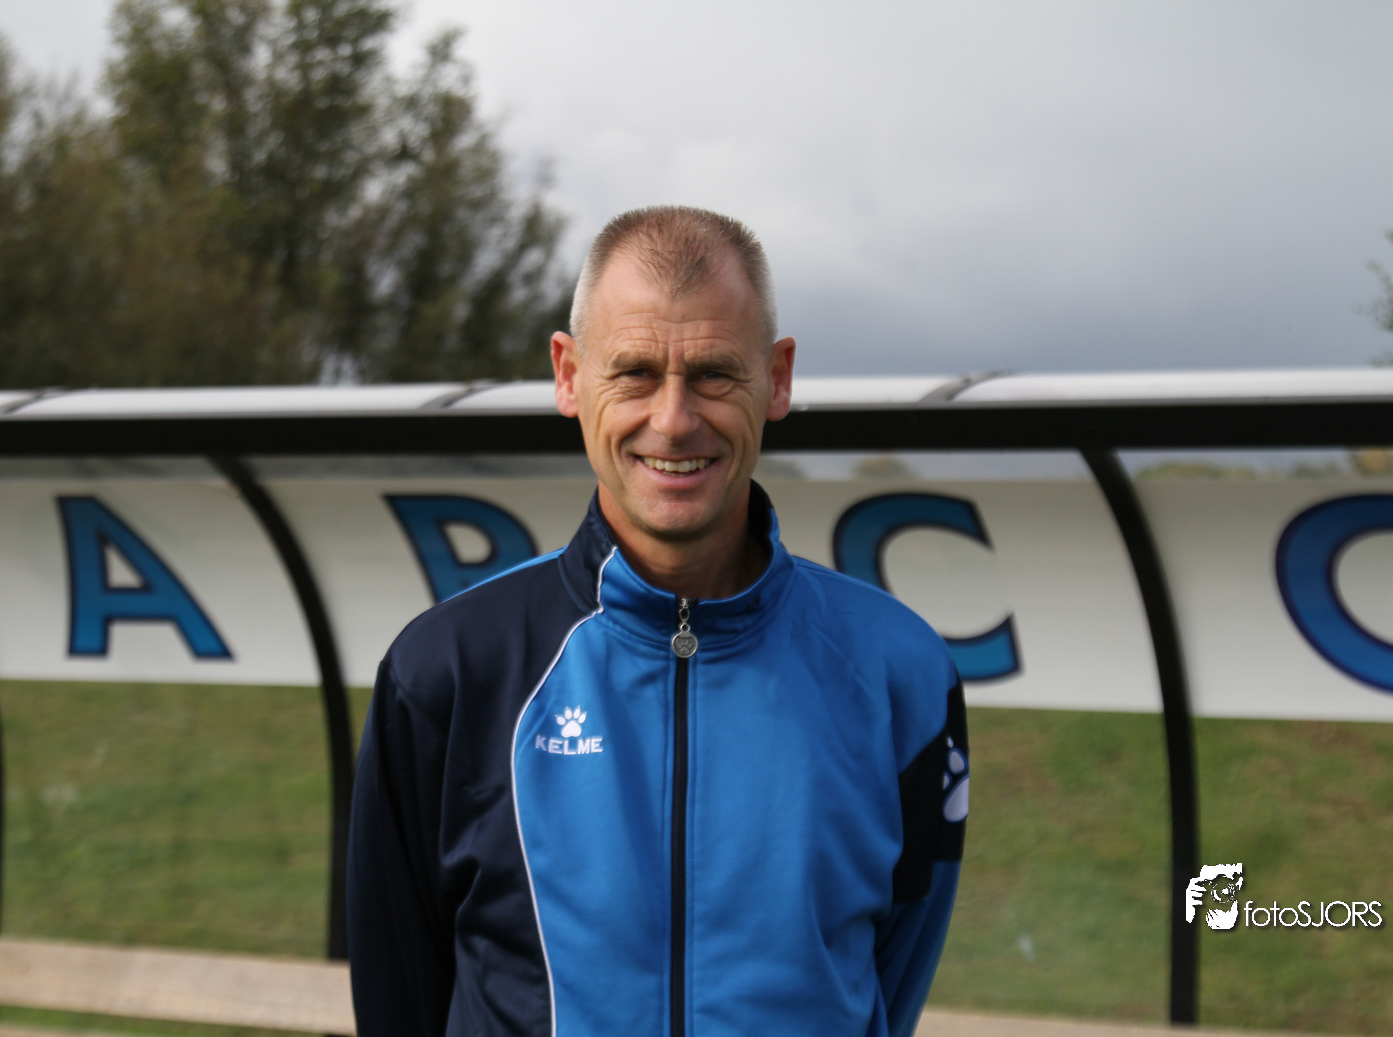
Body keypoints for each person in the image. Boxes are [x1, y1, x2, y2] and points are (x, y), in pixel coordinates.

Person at [347, 205, 967, 1037]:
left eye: (713, 374)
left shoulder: (901, 672)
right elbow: (400, 995)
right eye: (634, 372)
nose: (673, 419)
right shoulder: (447, 670)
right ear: (569, 375)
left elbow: (891, 980)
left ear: (777, 378)